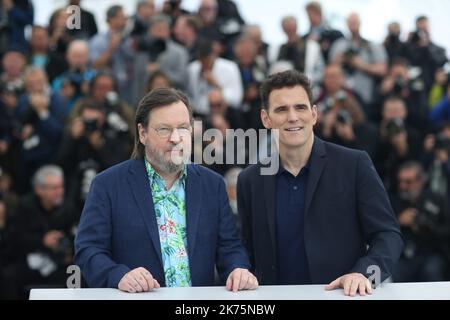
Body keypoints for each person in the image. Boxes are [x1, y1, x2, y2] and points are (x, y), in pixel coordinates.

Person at [237, 70, 403, 296]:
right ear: (266, 119)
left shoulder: (354, 165)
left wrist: (366, 274)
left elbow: (388, 235)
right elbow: (245, 249)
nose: (293, 117)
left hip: (341, 297)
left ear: (314, 114)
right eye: (281, 109)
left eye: (300, 107)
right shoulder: (250, 180)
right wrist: (239, 270)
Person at [75, 87, 258, 293]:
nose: (175, 138)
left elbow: (230, 246)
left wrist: (238, 270)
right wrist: (118, 275)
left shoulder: (212, 184)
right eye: (164, 129)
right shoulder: (108, 185)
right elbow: (88, 250)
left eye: (182, 128)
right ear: (143, 133)